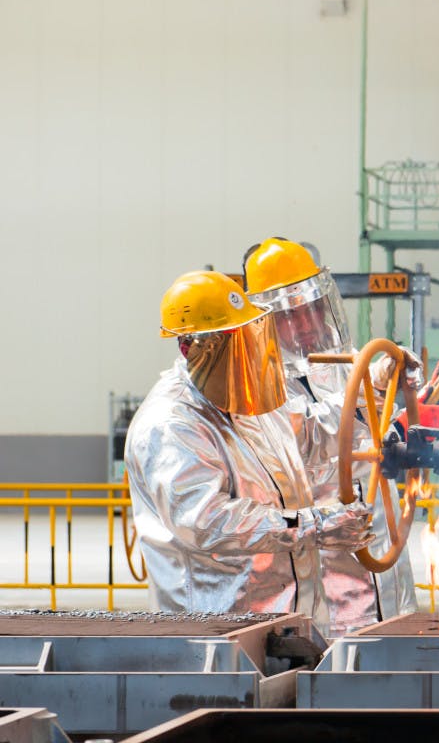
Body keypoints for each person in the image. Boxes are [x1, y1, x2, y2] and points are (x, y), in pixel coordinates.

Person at [124, 271, 373, 630]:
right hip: (218, 629)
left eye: (250, 337)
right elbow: (210, 522)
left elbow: (307, 435)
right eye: (234, 344)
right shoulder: (171, 424)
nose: (250, 356)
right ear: (190, 347)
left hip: (290, 621)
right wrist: (314, 525)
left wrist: (368, 395)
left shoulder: (244, 398)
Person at [243, 238, 418, 633]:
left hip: (389, 583)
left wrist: (400, 393)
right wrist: (368, 396)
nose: (306, 326)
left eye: (311, 310)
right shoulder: (254, 389)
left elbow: (374, 433)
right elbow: (306, 438)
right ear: (263, 322)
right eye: (290, 316)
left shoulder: (342, 365)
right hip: (325, 594)